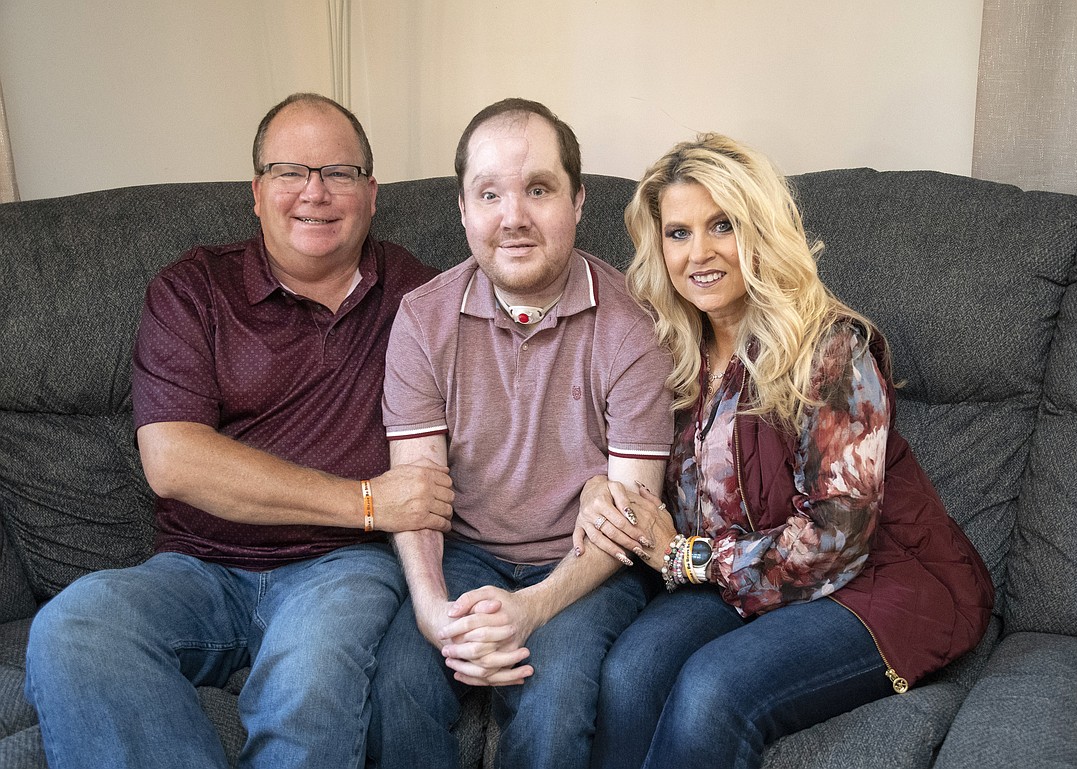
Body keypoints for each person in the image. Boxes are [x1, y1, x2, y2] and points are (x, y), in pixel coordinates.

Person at [24, 93, 454, 769]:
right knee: (74, 626)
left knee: (310, 676)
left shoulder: (423, 297)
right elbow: (173, 459)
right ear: (256, 193)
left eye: (339, 172)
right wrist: (369, 501)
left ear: (371, 194)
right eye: (290, 171)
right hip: (199, 567)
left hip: (341, 567)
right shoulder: (193, 288)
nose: (314, 192)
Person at [576, 133, 995, 769]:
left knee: (714, 690)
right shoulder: (669, 355)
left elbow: (838, 537)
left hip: (870, 582)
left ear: (760, 232)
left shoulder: (829, 350)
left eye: (723, 225)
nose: (701, 253)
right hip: (729, 580)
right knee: (631, 673)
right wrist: (596, 489)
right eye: (679, 233)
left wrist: (687, 557)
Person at [367, 98, 674, 769]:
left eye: (539, 189)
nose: (514, 218)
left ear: (578, 201)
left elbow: (629, 516)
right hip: (464, 554)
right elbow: (413, 494)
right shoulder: (422, 320)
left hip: (586, 565)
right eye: (490, 194)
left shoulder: (632, 326)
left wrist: (532, 607)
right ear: (464, 211)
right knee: (396, 686)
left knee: (557, 699)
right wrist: (431, 610)